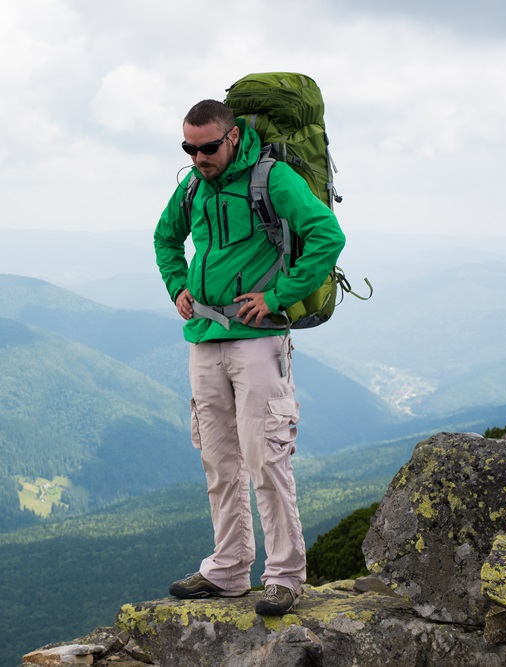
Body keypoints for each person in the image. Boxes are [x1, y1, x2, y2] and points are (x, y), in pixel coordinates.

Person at [153, 99, 345, 615]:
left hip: (258, 340)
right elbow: (165, 238)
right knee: (218, 460)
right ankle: (230, 569)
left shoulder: (272, 178)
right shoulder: (192, 187)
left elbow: (328, 235)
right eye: (189, 148)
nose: (198, 158)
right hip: (204, 337)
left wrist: (279, 296)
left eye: (208, 147)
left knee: (266, 458)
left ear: (233, 137)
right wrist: (177, 287)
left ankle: (284, 576)